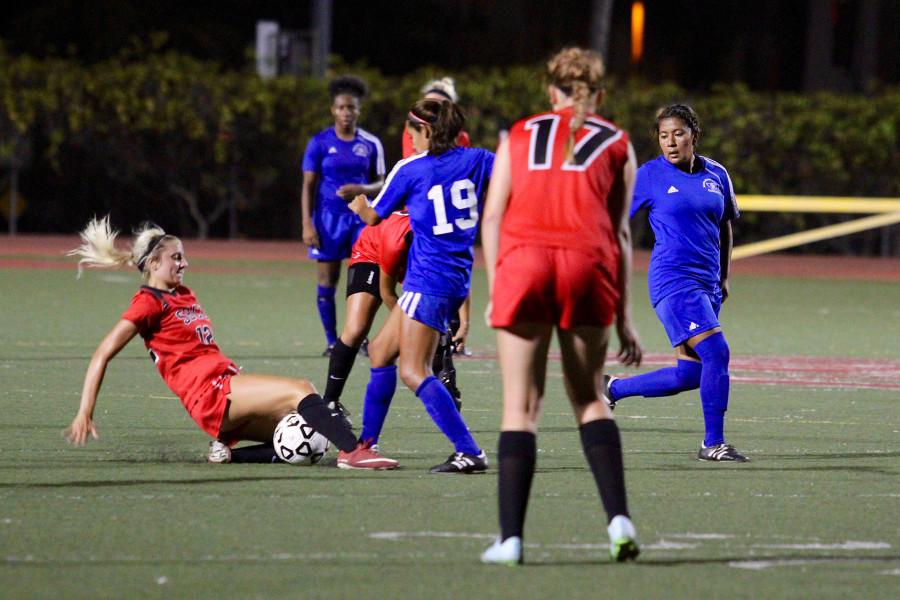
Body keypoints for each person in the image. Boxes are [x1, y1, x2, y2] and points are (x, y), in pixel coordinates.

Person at [479, 47, 643, 565]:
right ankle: (619, 522)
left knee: (520, 409)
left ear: (550, 91)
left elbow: (492, 218)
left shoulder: (518, 135)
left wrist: (494, 290)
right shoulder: (618, 142)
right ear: (599, 95)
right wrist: (625, 320)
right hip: (586, 266)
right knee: (590, 398)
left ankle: (510, 541)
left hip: (524, 262)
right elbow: (619, 234)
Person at [63, 216, 397, 470]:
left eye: (183, 257)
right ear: (153, 264)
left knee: (308, 437)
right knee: (301, 388)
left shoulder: (182, 295)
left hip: (223, 388)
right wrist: (84, 412)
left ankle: (227, 454)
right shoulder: (148, 302)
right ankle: (355, 451)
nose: (184, 263)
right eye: (175, 258)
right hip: (211, 392)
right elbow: (102, 355)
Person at [348, 98, 494, 473]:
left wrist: (358, 203)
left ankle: (470, 451)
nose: (409, 137)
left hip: (428, 279)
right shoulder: (477, 158)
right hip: (454, 278)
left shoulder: (411, 168)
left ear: (426, 131)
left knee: (414, 371)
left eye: (412, 130)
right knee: (380, 351)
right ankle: (365, 446)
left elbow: (375, 217)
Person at [604, 103, 747, 463]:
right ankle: (713, 444)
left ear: (693, 136)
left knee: (691, 373)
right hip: (673, 281)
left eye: (678, 134)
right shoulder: (649, 175)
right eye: (664, 135)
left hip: (707, 285)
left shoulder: (717, 174)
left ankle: (612, 388)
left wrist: (724, 275)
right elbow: (613, 219)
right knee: (717, 352)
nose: (670, 142)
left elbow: (725, 224)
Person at [301, 75, 386, 356]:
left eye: (352, 107)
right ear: (333, 110)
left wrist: (361, 188)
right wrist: (307, 223)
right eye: (341, 108)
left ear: (359, 110)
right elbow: (308, 186)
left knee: (361, 280)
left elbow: (383, 182)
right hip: (327, 221)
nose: (346, 112)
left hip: (360, 220)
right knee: (327, 281)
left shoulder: (371, 143)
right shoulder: (319, 143)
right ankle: (331, 340)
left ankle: (356, 337)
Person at [402, 77, 472, 356]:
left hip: (438, 232)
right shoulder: (476, 156)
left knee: (411, 367)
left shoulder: (460, 148)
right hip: (429, 221)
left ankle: (452, 337)